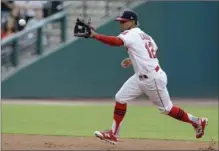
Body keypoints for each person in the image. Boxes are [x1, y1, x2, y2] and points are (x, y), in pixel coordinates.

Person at [89, 10, 208, 145]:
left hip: (152, 78)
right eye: (120, 21)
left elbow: (115, 42)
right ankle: (113, 134)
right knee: (120, 98)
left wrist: (96, 36)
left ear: (133, 22)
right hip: (141, 77)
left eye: (124, 21)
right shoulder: (145, 35)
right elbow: (152, 50)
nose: (121, 24)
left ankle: (197, 121)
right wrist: (132, 58)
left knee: (167, 109)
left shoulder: (131, 34)